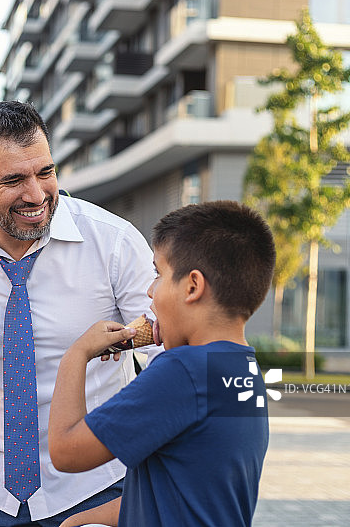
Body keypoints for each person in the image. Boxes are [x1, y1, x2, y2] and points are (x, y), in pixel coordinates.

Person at [0, 101, 161, 526]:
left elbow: (167, 343)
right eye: (14, 180)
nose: (37, 195)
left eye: (46, 172)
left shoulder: (112, 242)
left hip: (96, 485)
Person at [49, 200, 276, 527]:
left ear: (193, 286)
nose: (150, 291)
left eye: (158, 274)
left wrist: (76, 353)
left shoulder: (184, 370)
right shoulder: (244, 371)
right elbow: (182, 494)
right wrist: (77, 521)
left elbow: (66, 452)